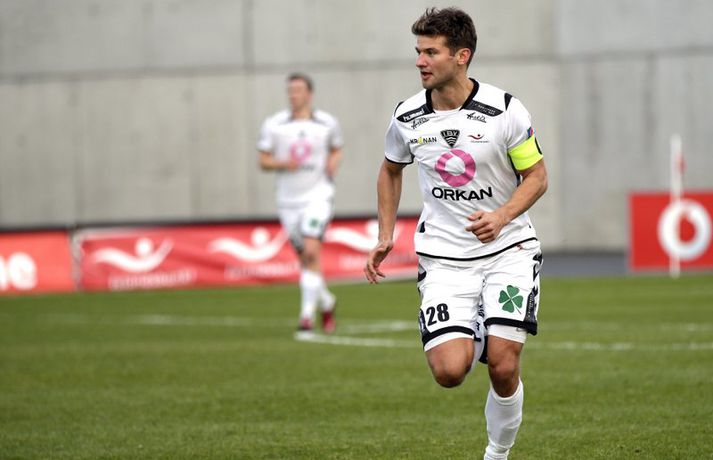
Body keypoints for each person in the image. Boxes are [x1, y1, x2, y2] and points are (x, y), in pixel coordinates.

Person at [364, 8, 547, 460]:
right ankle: (479, 327)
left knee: (503, 364)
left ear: (461, 56)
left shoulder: (505, 110)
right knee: (449, 372)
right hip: (444, 258)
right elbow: (390, 169)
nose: (420, 61)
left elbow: (537, 177)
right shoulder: (407, 115)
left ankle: (497, 453)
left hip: (508, 250)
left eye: (431, 52)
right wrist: (385, 233)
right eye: (418, 52)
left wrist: (501, 216)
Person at [258, 73, 343, 334]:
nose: (293, 94)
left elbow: (337, 148)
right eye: (290, 90)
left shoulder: (327, 122)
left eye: (298, 90)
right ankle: (327, 302)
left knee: (311, 252)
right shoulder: (274, 124)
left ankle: (306, 318)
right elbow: (263, 160)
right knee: (306, 260)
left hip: (318, 196)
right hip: (288, 201)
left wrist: (333, 163)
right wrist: (283, 163)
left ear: (309, 94)